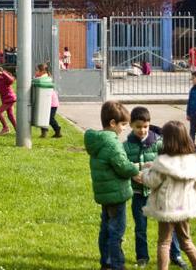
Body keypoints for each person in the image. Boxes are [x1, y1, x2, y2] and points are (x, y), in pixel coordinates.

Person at [123, 107, 187, 269]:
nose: (142, 130)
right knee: (141, 227)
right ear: (131, 125)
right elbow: (125, 167)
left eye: (145, 126)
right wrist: (134, 173)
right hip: (139, 193)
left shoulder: (158, 143)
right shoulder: (126, 146)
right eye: (138, 127)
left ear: (149, 125)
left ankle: (176, 255)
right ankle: (142, 257)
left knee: (169, 226)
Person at [142, 120, 196, 270]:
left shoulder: (163, 162)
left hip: (167, 207)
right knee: (186, 241)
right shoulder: (193, 162)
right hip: (184, 207)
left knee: (164, 242)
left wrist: (145, 172)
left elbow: (152, 181)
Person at [84, 101, 140, 270]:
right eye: (123, 124)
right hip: (116, 194)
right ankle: (117, 265)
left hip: (105, 194)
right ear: (112, 123)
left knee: (106, 229)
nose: (125, 128)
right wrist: (136, 168)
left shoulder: (97, 141)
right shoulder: (112, 143)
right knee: (116, 232)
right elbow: (123, 167)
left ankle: (106, 262)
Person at [35, 64, 61, 139]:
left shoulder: (45, 78)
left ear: (43, 71)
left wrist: (36, 76)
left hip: (51, 102)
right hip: (46, 101)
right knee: (43, 117)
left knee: (50, 118)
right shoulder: (42, 77)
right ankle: (44, 133)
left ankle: (58, 130)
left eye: (37, 70)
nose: (36, 72)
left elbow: (39, 81)